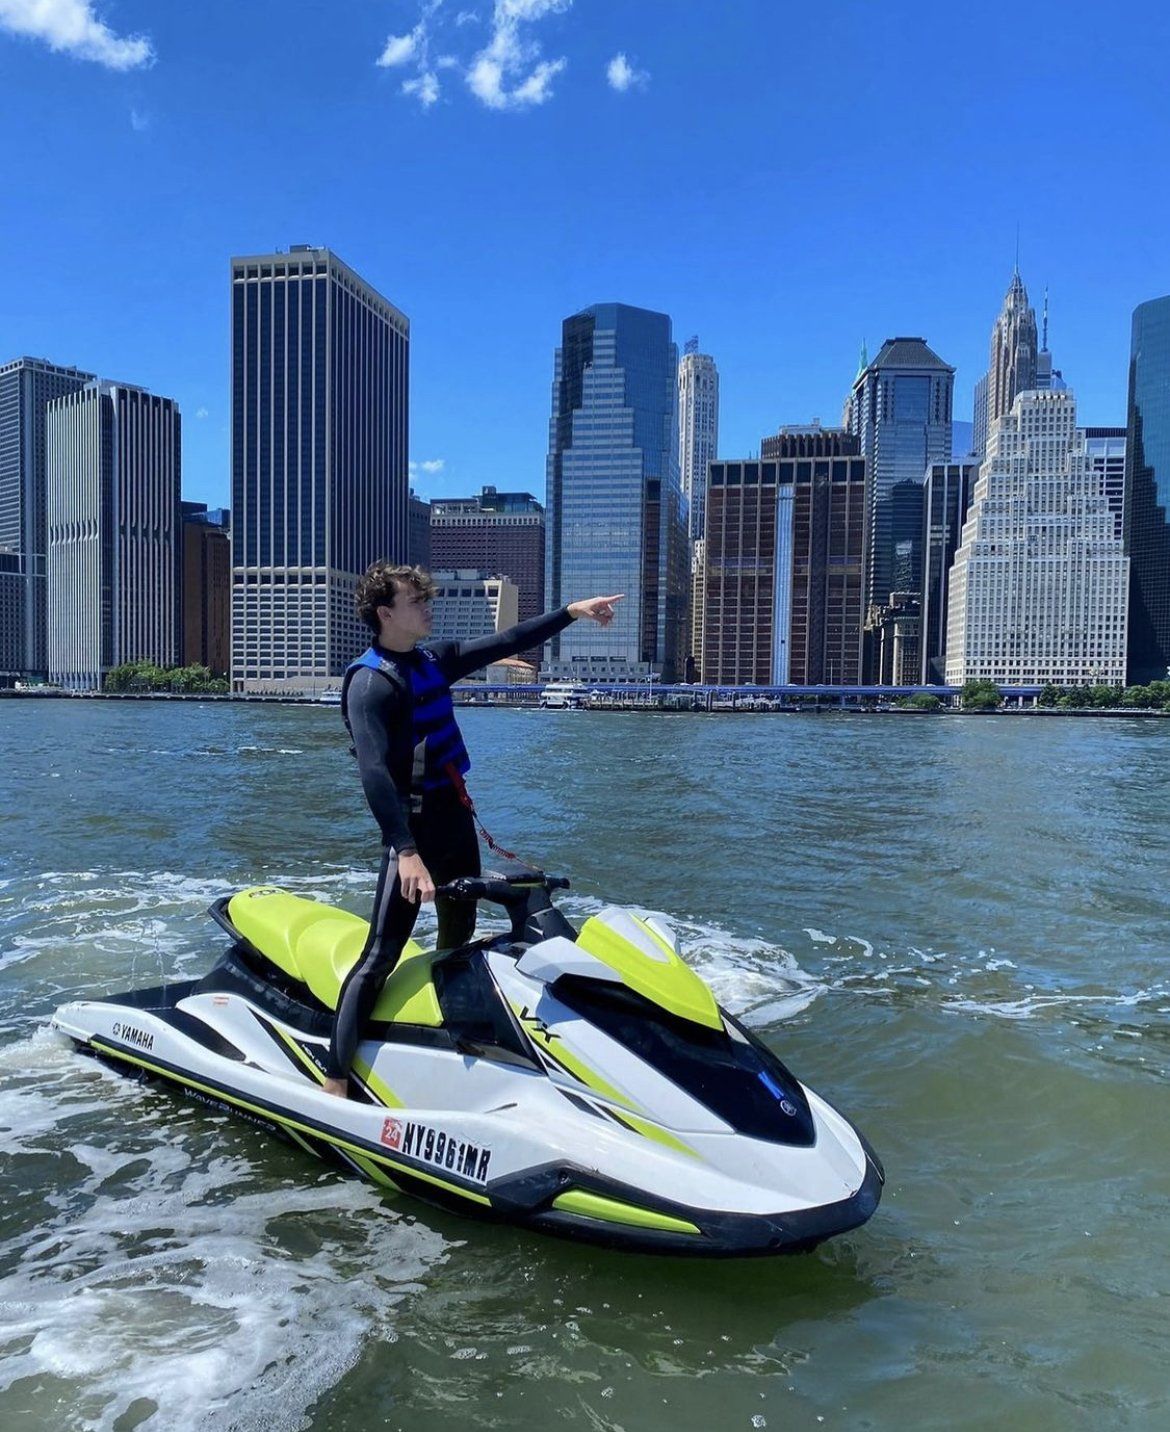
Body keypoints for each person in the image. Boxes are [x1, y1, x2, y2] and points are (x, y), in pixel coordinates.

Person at [323, 562, 623, 1098]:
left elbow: (508, 638)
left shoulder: (433, 660)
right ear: (386, 613)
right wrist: (405, 850)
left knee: (457, 934)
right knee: (380, 956)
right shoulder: (370, 684)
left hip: (454, 819)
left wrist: (572, 613)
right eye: (416, 601)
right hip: (411, 831)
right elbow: (373, 773)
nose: (427, 607)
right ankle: (334, 1081)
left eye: (425, 598)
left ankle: (440, 1037)